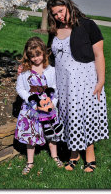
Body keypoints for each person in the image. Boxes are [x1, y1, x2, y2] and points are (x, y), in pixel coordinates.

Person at [47, 0, 109, 172]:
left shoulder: (88, 25)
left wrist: (101, 81)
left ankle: (90, 155)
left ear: (68, 5)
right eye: (55, 14)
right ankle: (73, 154)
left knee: (85, 116)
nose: (59, 16)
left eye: (61, 11)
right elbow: (51, 57)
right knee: (69, 117)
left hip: (85, 81)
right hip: (63, 84)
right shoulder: (54, 31)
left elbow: (99, 55)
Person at [15, 36, 63, 175]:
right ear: (27, 56)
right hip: (32, 109)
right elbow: (20, 88)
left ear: (43, 52)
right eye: (32, 56)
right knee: (31, 134)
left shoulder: (51, 70)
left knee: (52, 133)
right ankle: (30, 162)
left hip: (48, 107)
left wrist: (53, 104)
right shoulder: (25, 71)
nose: (36, 58)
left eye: (38, 54)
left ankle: (55, 157)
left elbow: (55, 87)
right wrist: (31, 101)